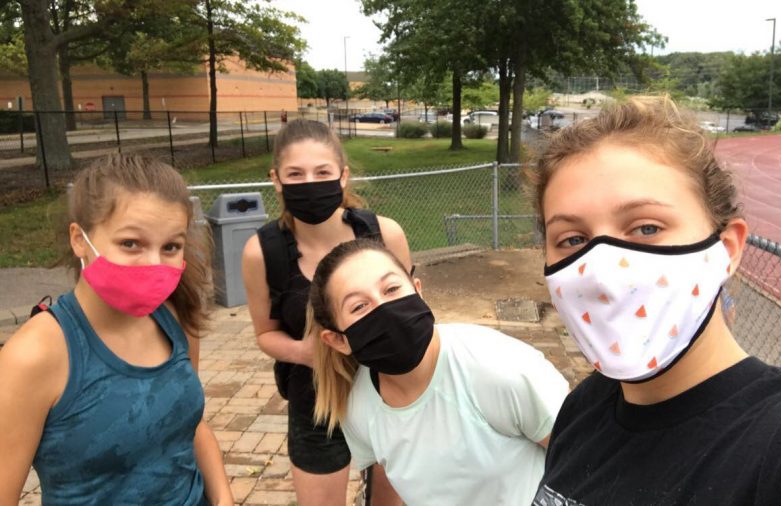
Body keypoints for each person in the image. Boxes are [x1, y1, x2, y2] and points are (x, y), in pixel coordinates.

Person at [529, 96, 781, 505]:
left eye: (647, 227)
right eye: (573, 240)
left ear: (726, 248)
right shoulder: (584, 409)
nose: (602, 272)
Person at [0, 154, 232, 505]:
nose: (154, 263)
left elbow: (191, 427)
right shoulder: (34, 355)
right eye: (131, 243)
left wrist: (224, 499)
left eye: (171, 247)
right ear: (80, 239)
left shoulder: (175, 320)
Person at [309, 239, 570, 505]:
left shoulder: (499, 368)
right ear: (338, 340)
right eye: (358, 307)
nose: (383, 308)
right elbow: (386, 477)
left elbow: (584, 456)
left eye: (391, 288)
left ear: (418, 291)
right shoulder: (357, 407)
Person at [241, 119, 411, 505]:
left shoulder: (386, 235)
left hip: (389, 393)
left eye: (322, 172)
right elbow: (265, 334)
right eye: (295, 174)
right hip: (316, 402)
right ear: (277, 179)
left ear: (343, 176)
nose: (309, 182)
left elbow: (413, 312)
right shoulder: (261, 251)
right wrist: (309, 352)